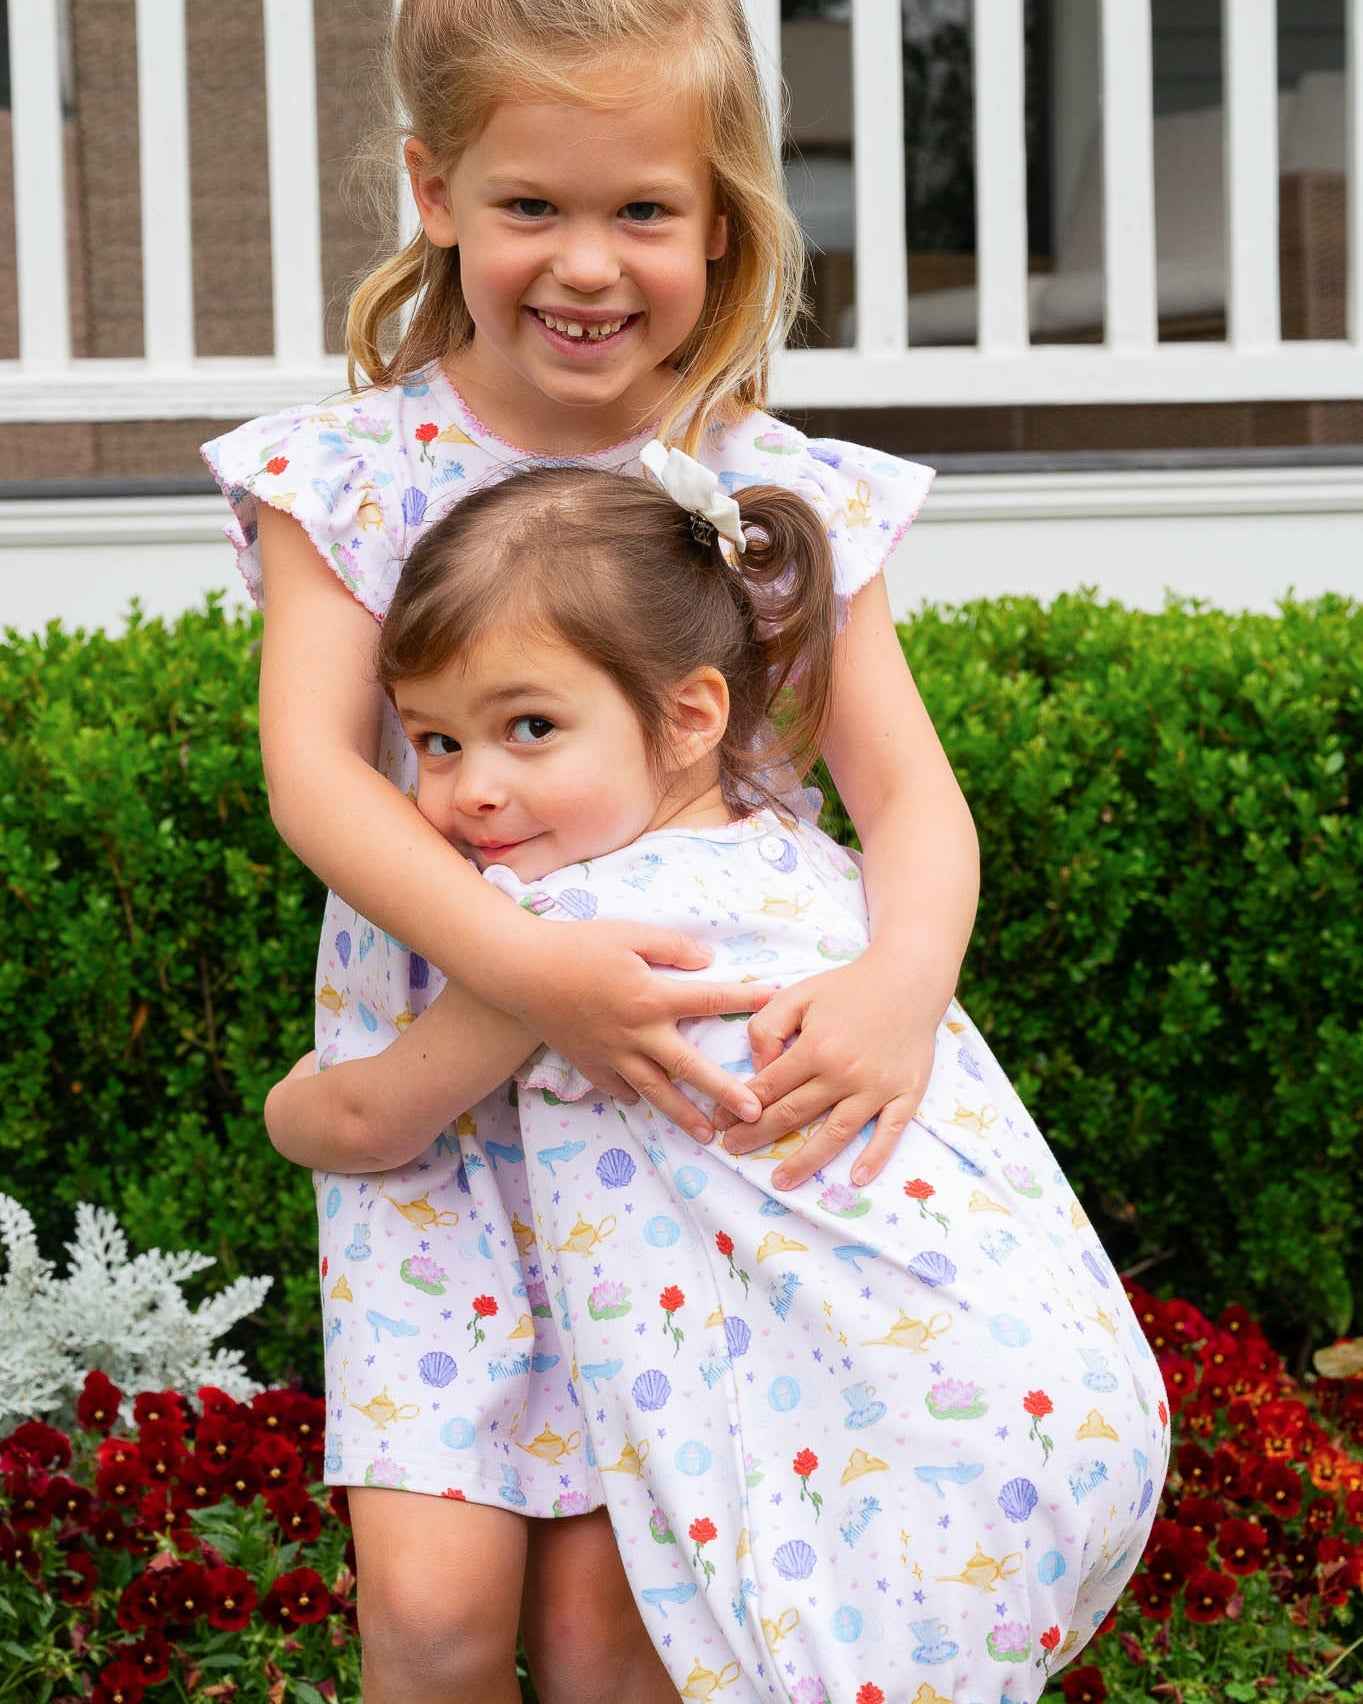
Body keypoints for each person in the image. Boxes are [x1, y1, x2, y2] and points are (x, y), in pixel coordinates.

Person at [203, 2, 978, 1696]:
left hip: (683, 1133)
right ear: (435, 193)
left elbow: (910, 798)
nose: (585, 262)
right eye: (529, 206)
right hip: (438, 1112)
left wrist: (900, 986)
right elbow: (316, 776)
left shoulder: (764, 486)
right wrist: (528, 969)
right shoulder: (350, 474)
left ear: (721, 223)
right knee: (434, 1614)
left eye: (641, 210)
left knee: (615, 1625)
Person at [265, 450, 1169, 1704]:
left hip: (908, 1433)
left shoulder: (577, 933)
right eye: (433, 742)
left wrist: (286, 1101)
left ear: (692, 716)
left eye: (529, 728)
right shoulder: (809, 872)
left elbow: (357, 1118)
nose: (474, 790)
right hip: (1056, 1384)